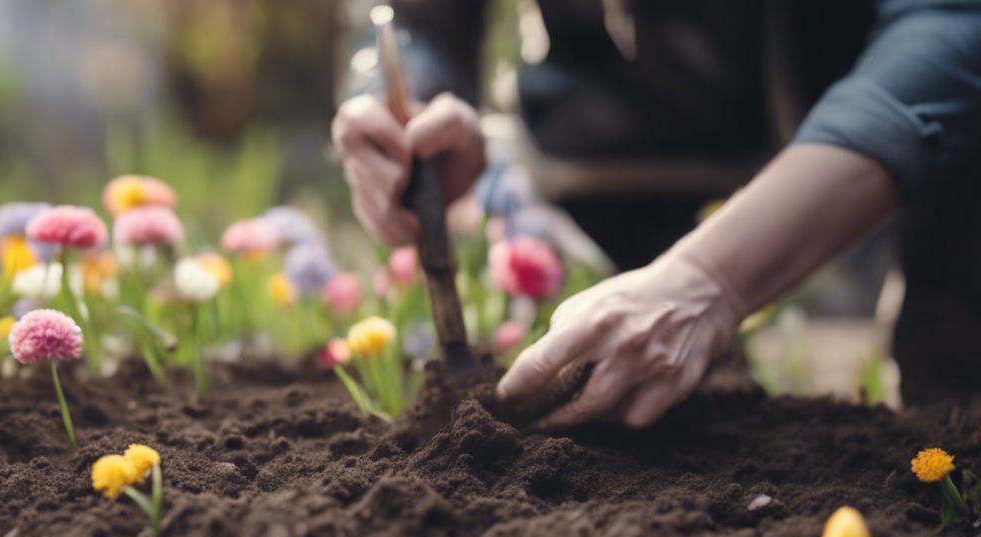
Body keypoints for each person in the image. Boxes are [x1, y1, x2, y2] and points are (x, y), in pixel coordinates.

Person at [332, 0, 981, 426]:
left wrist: (714, 278)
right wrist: (403, 87)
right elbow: (411, 14)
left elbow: (954, 28)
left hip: (908, 120)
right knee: (667, 407)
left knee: (952, 407)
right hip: (638, 135)